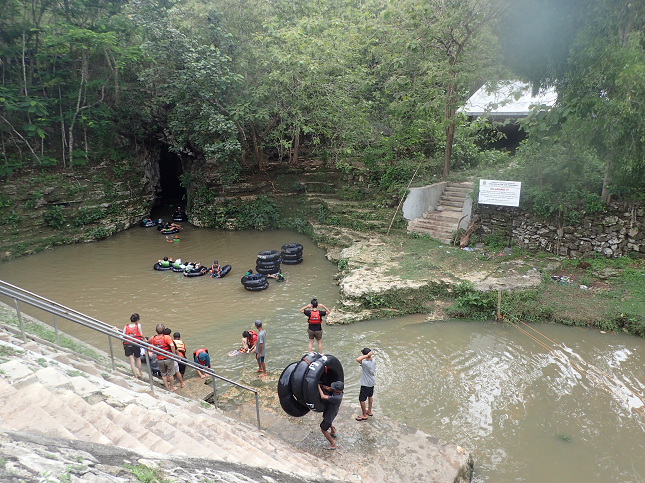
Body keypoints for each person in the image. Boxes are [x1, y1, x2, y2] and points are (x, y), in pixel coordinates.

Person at [149, 324, 178, 391]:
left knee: (163, 374)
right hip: (168, 358)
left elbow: (150, 345)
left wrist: (150, 352)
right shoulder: (166, 337)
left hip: (159, 359)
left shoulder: (152, 338)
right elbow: (172, 345)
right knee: (171, 374)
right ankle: (172, 388)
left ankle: (167, 388)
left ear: (156, 331)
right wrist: (173, 354)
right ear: (164, 330)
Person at [318, 381, 344, 450]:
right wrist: (322, 386)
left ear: (338, 391)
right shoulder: (339, 392)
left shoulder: (337, 398)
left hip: (331, 412)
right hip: (332, 410)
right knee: (325, 417)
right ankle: (333, 431)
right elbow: (329, 389)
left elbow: (323, 396)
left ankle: (333, 444)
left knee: (323, 429)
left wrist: (318, 387)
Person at [355, 348, 375, 421]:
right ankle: (369, 411)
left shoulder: (365, 363)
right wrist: (368, 355)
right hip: (372, 382)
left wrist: (366, 355)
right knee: (370, 396)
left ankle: (364, 415)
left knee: (361, 400)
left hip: (365, 384)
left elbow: (358, 359)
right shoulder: (374, 361)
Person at [123, 313, 143, 379]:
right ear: (137, 320)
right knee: (138, 358)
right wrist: (144, 339)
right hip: (136, 344)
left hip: (128, 344)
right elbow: (141, 334)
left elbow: (123, 335)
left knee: (132, 361)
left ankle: (135, 376)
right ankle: (140, 373)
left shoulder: (126, 326)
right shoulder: (138, 325)